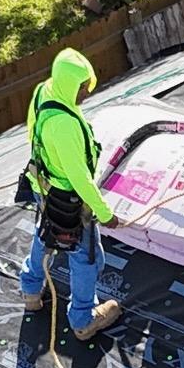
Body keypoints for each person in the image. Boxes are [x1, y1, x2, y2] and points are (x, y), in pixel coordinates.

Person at [20, 47, 123, 340]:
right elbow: (79, 177)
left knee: (44, 235)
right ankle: (83, 319)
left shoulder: (45, 92)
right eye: (81, 88)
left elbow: (32, 133)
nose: (85, 94)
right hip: (68, 201)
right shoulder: (64, 125)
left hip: (43, 185)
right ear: (68, 85)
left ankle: (31, 290)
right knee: (86, 257)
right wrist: (105, 214)